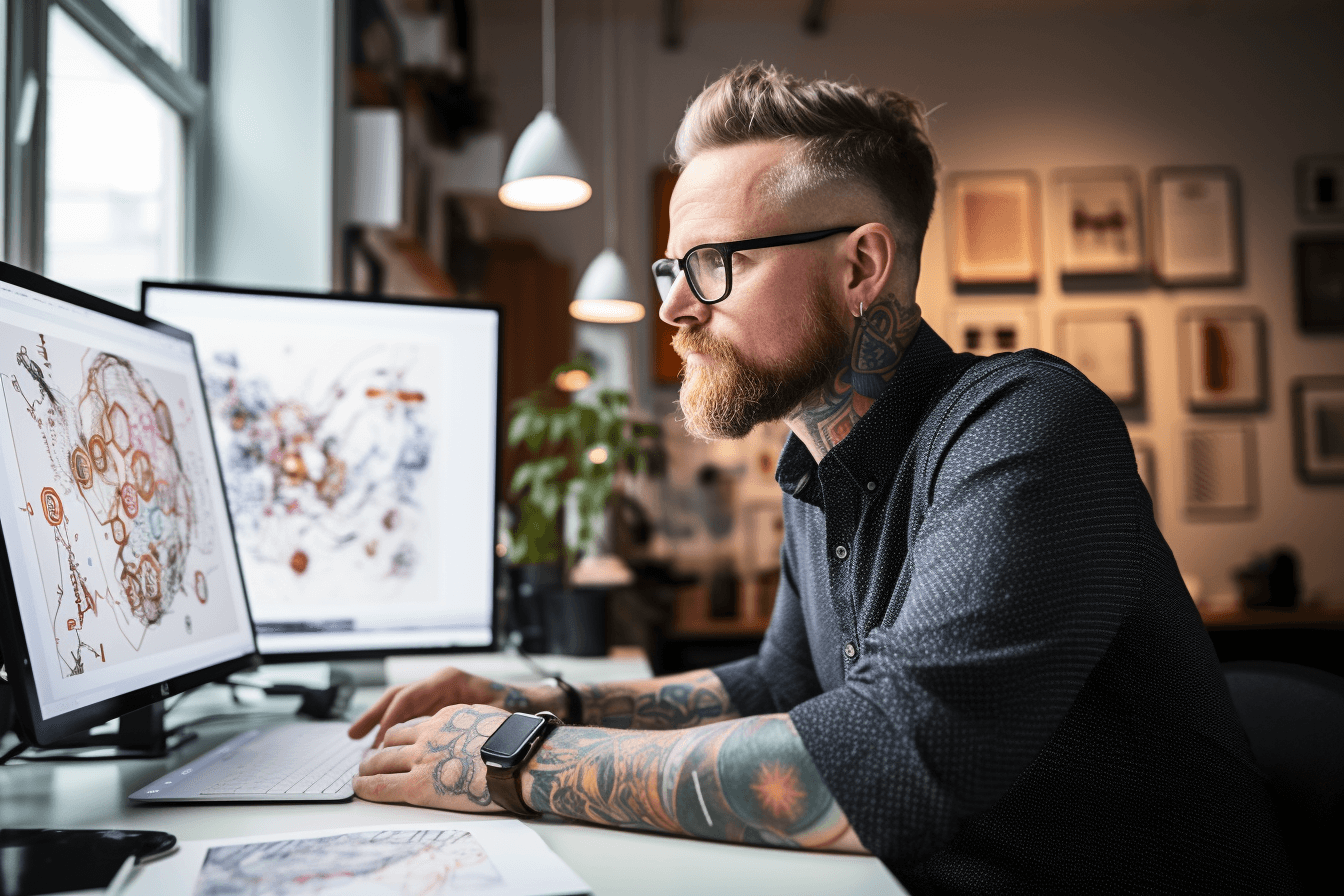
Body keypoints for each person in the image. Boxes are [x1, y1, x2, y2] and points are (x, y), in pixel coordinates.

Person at [351, 63, 1299, 894]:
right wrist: (537, 702)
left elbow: (885, 763)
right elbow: (783, 680)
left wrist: (517, 759)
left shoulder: (1026, 429)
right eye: (672, 267)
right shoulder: (817, 462)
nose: (675, 306)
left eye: (717, 262)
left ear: (860, 267)